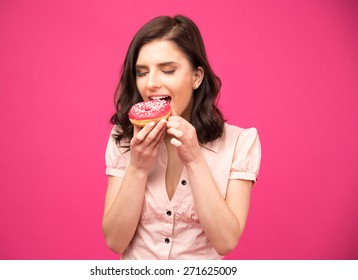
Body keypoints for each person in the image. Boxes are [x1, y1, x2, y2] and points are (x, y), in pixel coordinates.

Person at [102, 15, 261, 260]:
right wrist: (137, 167)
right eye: (142, 72)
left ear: (196, 77)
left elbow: (226, 241)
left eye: (167, 70)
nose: (151, 83)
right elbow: (115, 240)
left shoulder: (239, 143)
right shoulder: (124, 139)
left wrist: (195, 160)